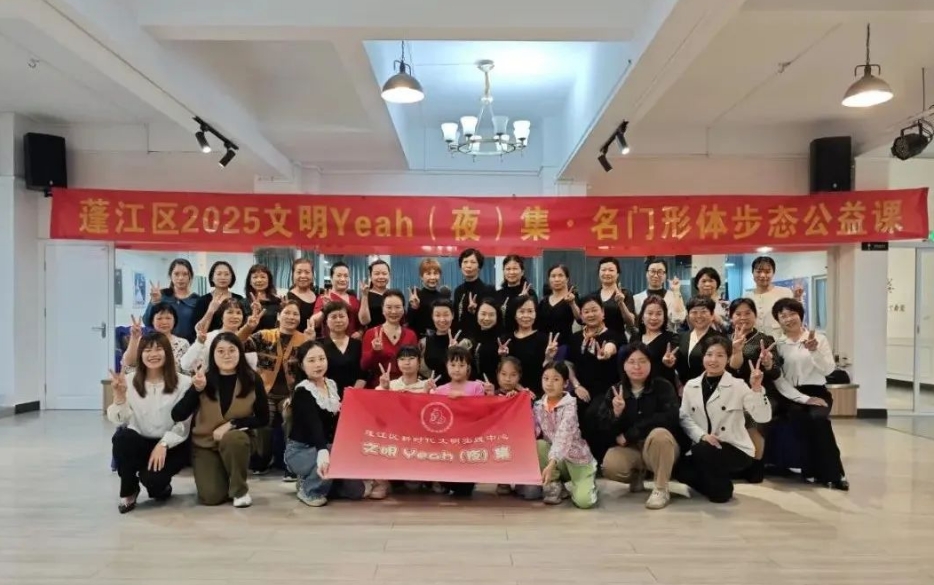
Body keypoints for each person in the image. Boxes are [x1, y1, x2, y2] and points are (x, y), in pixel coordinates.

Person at [172, 332, 269, 507]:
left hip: (237, 440)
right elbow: (177, 415)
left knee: (234, 438)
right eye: (221, 351)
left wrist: (233, 424)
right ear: (213, 355)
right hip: (205, 444)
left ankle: (240, 490)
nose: (227, 355)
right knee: (211, 497)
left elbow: (263, 418)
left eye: (232, 350)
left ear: (240, 352)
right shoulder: (203, 379)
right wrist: (196, 390)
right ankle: (221, 475)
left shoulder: (252, 379)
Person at [677, 336, 772, 503]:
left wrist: (757, 389)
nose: (713, 360)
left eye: (720, 355)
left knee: (703, 451)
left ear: (728, 359)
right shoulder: (691, 385)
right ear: (703, 357)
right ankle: (718, 486)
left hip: (734, 447)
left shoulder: (738, 385)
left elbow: (762, 417)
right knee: (679, 468)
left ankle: (720, 488)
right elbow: (685, 418)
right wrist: (702, 436)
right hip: (704, 444)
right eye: (709, 354)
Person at [107, 332, 191, 513]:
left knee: (154, 482)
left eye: (158, 349)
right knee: (122, 438)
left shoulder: (184, 383)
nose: (153, 354)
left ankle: (161, 487)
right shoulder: (129, 381)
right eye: (147, 350)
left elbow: (184, 424)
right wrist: (119, 396)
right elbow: (119, 420)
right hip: (139, 441)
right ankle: (129, 491)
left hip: (171, 445)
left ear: (167, 353)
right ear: (140, 355)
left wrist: (164, 444)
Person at [772, 298, 848, 490]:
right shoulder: (778, 344)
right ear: (778, 320)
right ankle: (811, 470)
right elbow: (779, 378)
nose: (788, 319)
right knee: (799, 419)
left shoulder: (819, 339)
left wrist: (814, 351)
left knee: (819, 420)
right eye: (783, 316)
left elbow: (828, 370)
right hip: (790, 394)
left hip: (817, 390)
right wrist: (804, 399)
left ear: (801, 315)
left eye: (792, 314)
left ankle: (835, 474)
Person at [594, 343, 681, 510]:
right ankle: (637, 475)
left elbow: (669, 418)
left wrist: (630, 434)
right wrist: (616, 414)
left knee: (660, 434)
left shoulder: (663, 386)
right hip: (632, 449)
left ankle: (661, 488)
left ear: (650, 363)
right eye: (631, 362)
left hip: (661, 447)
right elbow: (604, 428)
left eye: (642, 361)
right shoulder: (615, 391)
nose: (637, 367)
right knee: (611, 464)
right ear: (623, 365)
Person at [284, 341, 368, 507]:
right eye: (311, 360)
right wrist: (323, 451)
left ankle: (318, 480)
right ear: (301, 365)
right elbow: (314, 425)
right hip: (301, 452)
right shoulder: (303, 391)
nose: (318, 364)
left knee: (356, 491)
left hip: (328, 447)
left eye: (321, 359)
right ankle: (308, 490)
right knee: (331, 454)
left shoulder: (331, 384)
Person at [534, 361, 598, 508]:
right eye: (546, 378)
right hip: (558, 460)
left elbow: (563, 435)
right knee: (539, 445)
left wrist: (551, 464)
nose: (549, 383)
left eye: (556, 379)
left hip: (577, 459)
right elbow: (534, 430)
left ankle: (589, 481)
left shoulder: (571, 405)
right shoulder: (538, 405)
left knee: (584, 502)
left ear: (565, 383)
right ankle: (555, 484)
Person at [361, 290, 419, 387]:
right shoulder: (371, 333)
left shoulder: (411, 335)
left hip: (404, 387)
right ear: (382, 309)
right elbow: (364, 366)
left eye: (398, 307)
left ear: (403, 309)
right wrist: (375, 351)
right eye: (389, 307)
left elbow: (415, 365)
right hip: (378, 387)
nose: (393, 311)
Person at [143, 258, 199, 342]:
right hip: (163, 344)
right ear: (170, 275)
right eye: (176, 274)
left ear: (190, 276)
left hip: (189, 345)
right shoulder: (162, 295)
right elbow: (147, 322)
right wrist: (154, 302)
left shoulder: (197, 300)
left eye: (185, 274)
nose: (180, 278)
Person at [632, 258, 686, 332]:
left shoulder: (674, 296)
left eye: (660, 272)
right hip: (644, 337)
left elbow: (679, 318)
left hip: (668, 337)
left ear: (665, 275)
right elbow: (635, 324)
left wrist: (676, 291)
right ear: (646, 274)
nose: (656, 275)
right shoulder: (636, 298)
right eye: (652, 271)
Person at [452, 248, 495, 339]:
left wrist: (476, 311)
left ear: (479, 266)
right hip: (460, 339)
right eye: (465, 262)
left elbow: (493, 319)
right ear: (460, 266)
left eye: (473, 262)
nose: (468, 265)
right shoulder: (458, 290)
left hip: (482, 338)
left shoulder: (488, 290)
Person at [406, 258, 446, 338]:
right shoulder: (416, 297)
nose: (432, 277)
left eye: (435, 273)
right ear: (421, 276)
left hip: (439, 339)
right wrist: (414, 308)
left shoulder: (443, 298)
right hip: (419, 340)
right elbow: (409, 323)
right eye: (428, 274)